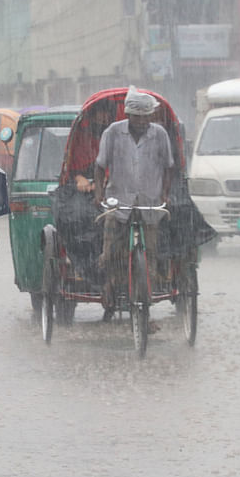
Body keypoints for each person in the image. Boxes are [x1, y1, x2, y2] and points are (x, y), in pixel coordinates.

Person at [93, 86, 173, 321]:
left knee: (149, 256)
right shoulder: (113, 132)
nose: (141, 121)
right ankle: (109, 284)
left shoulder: (159, 134)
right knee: (110, 252)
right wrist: (99, 193)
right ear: (127, 114)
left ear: (151, 116)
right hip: (119, 201)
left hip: (149, 201)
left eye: (145, 116)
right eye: (136, 116)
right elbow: (99, 165)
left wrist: (165, 195)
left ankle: (144, 312)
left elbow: (168, 167)